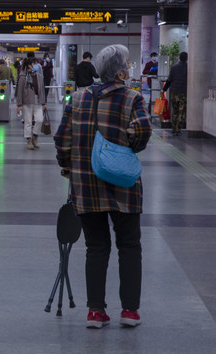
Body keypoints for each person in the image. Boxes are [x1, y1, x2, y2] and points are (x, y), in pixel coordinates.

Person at [54, 44, 152, 329]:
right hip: (123, 184)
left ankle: (95, 311)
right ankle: (130, 311)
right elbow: (142, 132)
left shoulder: (78, 97)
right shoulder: (131, 98)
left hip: (85, 184)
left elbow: (62, 138)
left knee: (96, 247)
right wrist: (126, 143)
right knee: (130, 245)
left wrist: (66, 164)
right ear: (121, 70)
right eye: (129, 64)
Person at [16, 58, 46, 150]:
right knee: (28, 122)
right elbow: (19, 90)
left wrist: (44, 103)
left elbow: (42, 90)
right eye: (35, 63)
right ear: (29, 65)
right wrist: (19, 105)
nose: (37, 65)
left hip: (38, 101)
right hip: (27, 101)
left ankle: (35, 137)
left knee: (39, 119)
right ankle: (29, 140)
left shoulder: (39, 76)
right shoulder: (22, 76)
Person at [162, 52, 188, 136]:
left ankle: (173, 128)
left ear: (179, 58)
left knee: (175, 111)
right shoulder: (189, 68)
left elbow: (169, 80)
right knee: (182, 112)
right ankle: (178, 129)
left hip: (175, 93)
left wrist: (164, 89)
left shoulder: (174, 67)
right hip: (184, 93)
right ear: (187, 58)